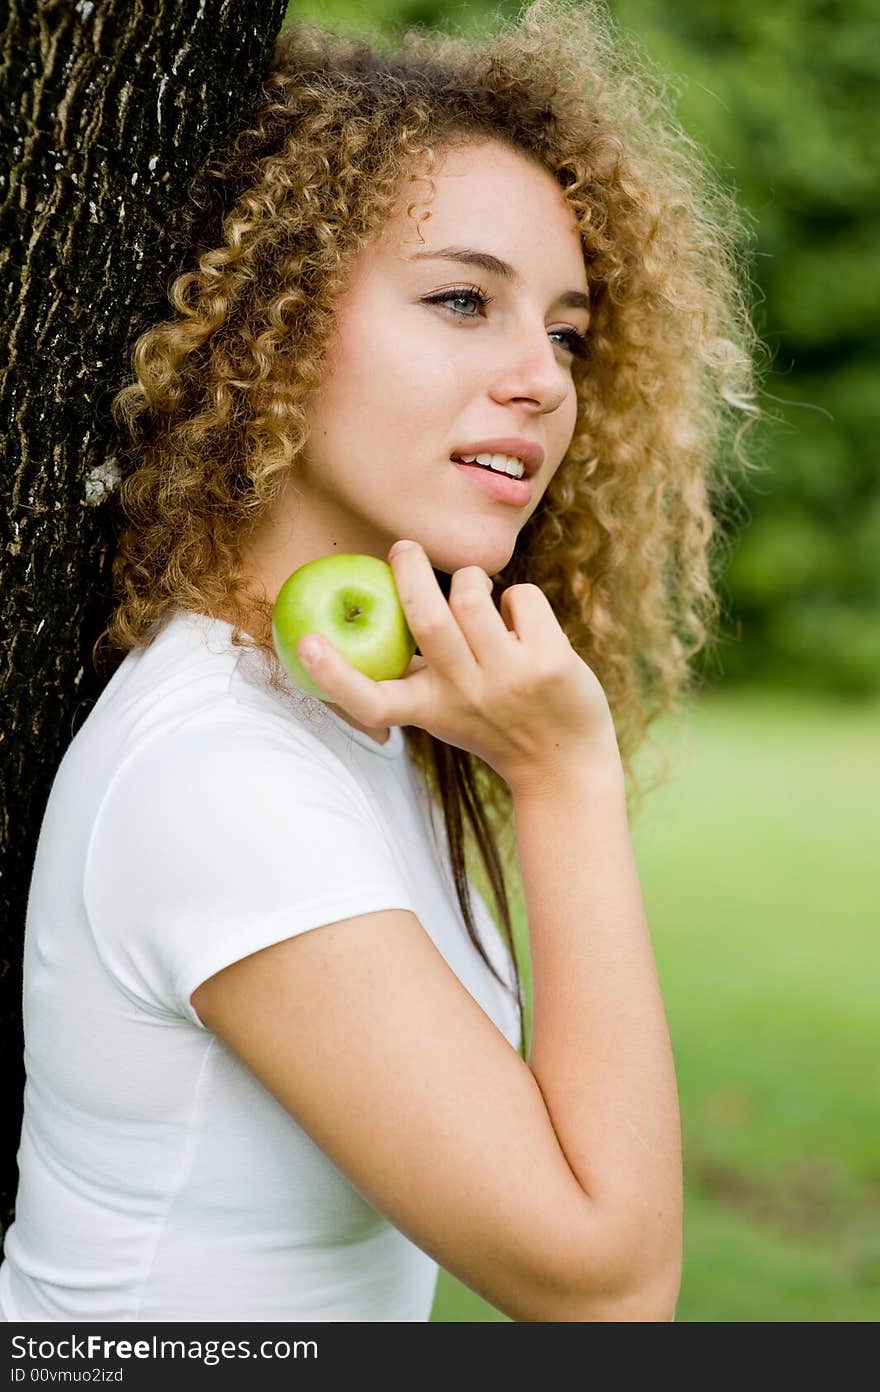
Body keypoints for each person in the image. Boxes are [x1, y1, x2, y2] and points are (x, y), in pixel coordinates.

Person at [0, 0, 760, 1322]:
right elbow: (610, 1289)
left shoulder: (367, 712)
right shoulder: (220, 773)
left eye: (567, 332)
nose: (542, 379)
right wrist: (567, 781)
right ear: (272, 330)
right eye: (463, 299)